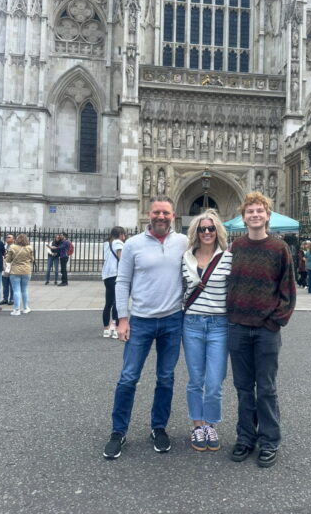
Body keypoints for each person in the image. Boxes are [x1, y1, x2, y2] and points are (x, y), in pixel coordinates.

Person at [103, 196, 187, 460]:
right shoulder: (133, 244)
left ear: (173, 215)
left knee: (166, 377)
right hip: (140, 320)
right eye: (156, 212)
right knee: (128, 377)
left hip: (173, 320)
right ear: (148, 214)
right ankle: (118, 431)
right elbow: (122, 281)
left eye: (165, 213)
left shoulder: (184, 242)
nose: (160, 217)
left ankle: (158, 427)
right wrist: (122, 319)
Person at [227, 192, 296, 468]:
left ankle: (269, 440)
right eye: (250, 212)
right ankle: (245, 437)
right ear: (244, 217)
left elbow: (288, 290)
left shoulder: (279, 248)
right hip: (238, 327)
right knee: (243, 388)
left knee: (266, 388)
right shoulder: (236, 247)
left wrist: (275, 320)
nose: (255, 215)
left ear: (267, 215)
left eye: (259, 211)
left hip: (266, 330)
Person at [181, 209, 232, 452]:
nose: (207, 232)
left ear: (217, 231)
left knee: (214, 382)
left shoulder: (228, 258)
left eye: (211, 228)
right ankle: (197, 425)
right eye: (203, 229)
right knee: (195, 380)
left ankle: (211, 423)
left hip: (219, 325)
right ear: (196, 232)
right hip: (191, 323)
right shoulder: (186, 258)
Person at [101, 226, 126, 338]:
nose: (124, 237)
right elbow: (122, 259)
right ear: (120, 234)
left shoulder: (107, 244)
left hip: (106, 275)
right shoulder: (118, 243)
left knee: (108, 302)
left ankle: (106, 329)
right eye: (123, 234)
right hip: (115, 274)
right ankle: (115, 327)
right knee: (117, 302)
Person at [6, 233, 34, 316]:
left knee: (16, 290)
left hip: (15, 271)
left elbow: (8, 260)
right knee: (24, 290)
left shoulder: (13, 247)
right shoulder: (29, 248)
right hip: (26, 270)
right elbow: (32, 259)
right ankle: (26, 308)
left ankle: (16, 309)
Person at [0, 233, 15, 305]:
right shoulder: (4, 246)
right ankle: (5, 298)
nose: (7, 238)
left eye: (9, 237)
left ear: (13, 239)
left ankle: (12, 299)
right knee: (5, 284)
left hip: (12, 267)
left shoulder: (15, 247)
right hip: (4, 267)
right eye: (6, 237)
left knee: (12, 284)